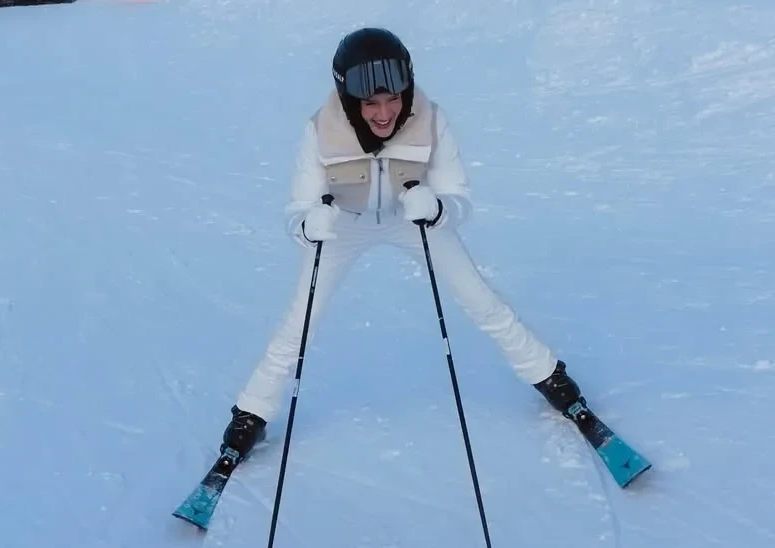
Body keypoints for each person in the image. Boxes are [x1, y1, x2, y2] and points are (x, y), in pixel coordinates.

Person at [216, 26, 591, 459]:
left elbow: (458, 197)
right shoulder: (320, 129)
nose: (384, 113)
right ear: (349, 100)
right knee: (299, 323)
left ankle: (549, 376)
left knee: (482, 301)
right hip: (345, 224)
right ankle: (252, 412)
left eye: (393, 98)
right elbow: (297, 210)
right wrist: (308, 224)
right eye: (370, 103)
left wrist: (437, 208)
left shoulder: (432, 120)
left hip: (413, 218)